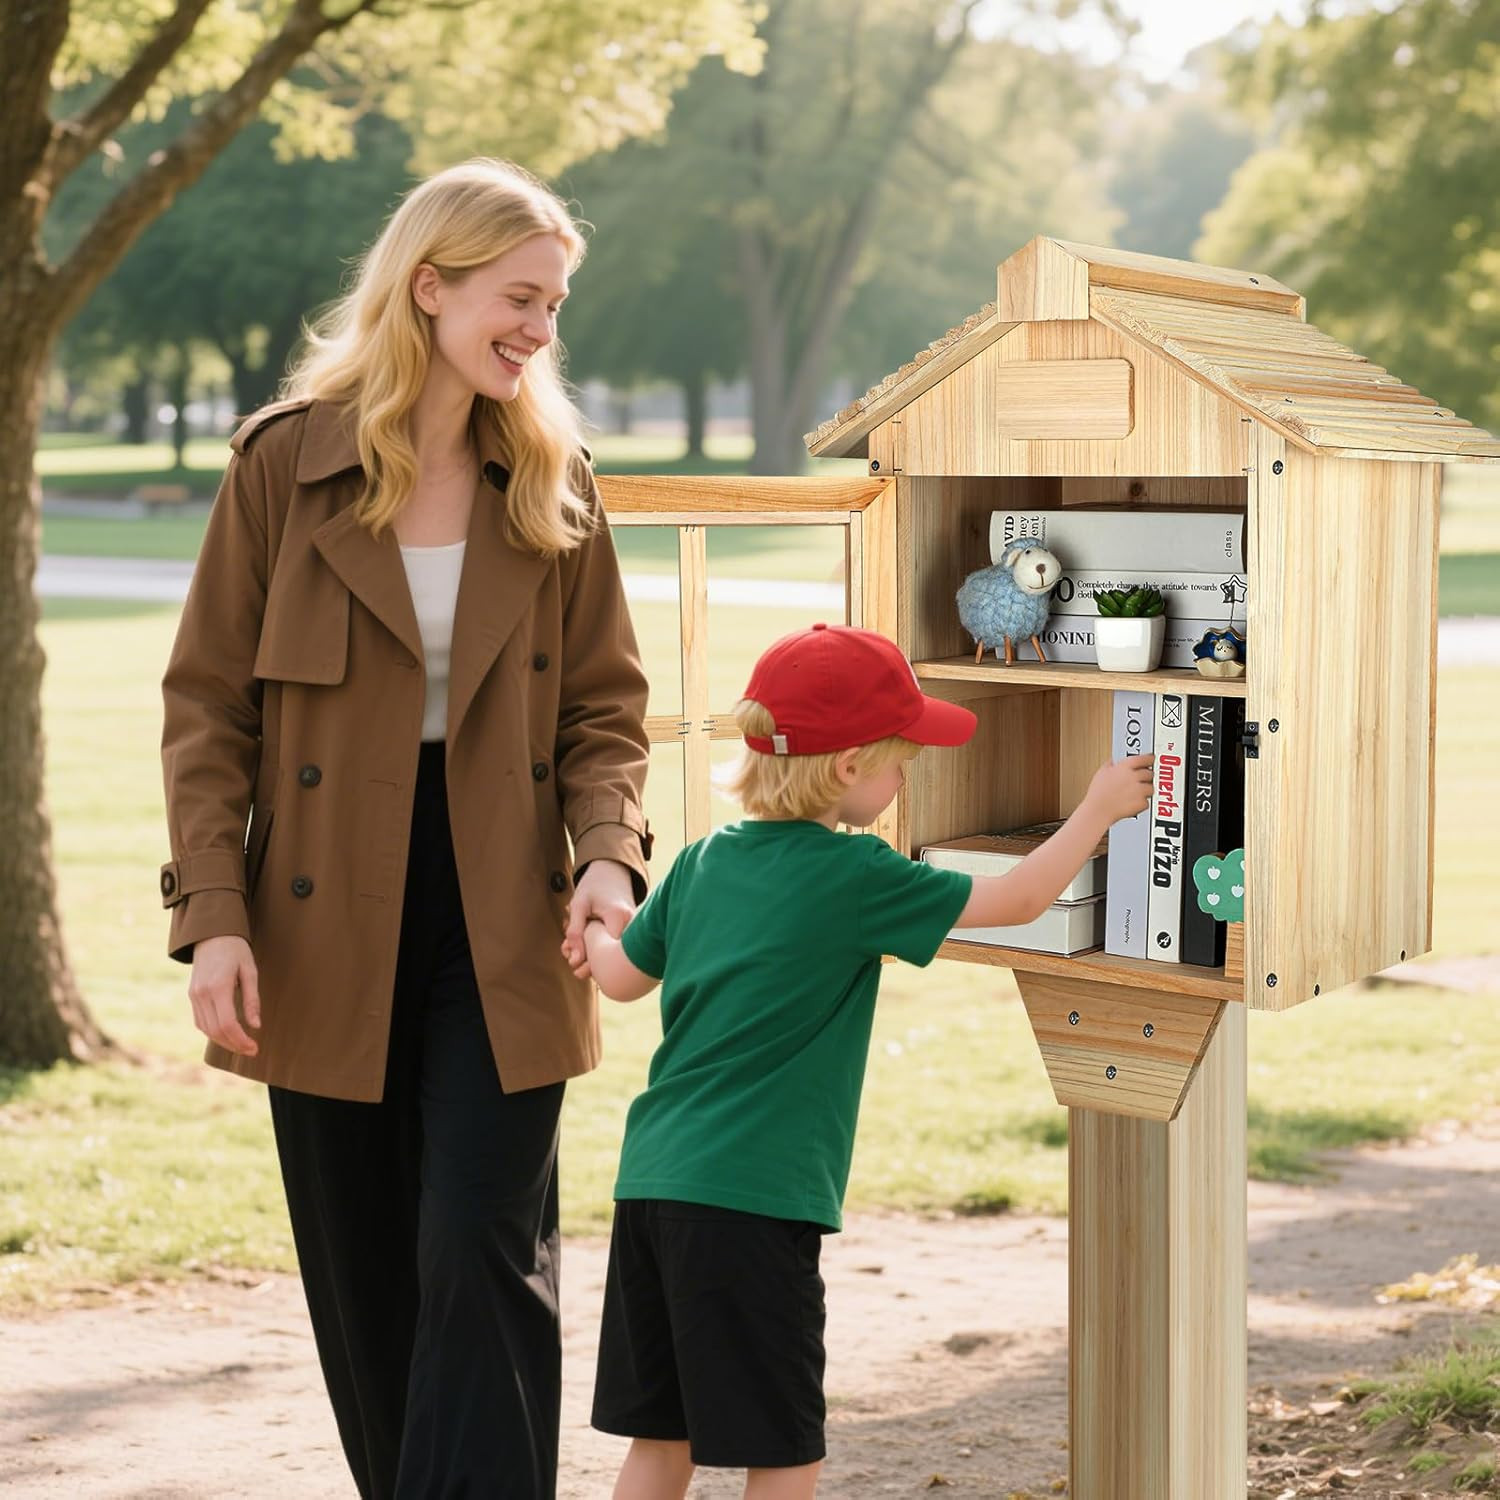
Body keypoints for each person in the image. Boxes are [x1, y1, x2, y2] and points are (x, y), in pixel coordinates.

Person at [159, 158, 652, 1499]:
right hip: (321, 917)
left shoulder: (556, 478)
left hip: (507, 914)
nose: (542, 331)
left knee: (481, 1251)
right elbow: (208, 710)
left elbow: (607, 707)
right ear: (428, 286)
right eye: (519, 298)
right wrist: (212, 921)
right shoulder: (282, 465)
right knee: (369, 1274)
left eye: (554, 306)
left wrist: (609, 854)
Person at [563, 622, 1153, 1500]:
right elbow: (1026, 896)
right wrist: (1099, 808)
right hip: (755, 1204)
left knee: (664, 1438)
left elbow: (617, 981)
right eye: (900, 762)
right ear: (846, 768)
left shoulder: (700, 863)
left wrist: (598, 924)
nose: (906, 776)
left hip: (652, 1187)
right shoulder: (856, 876)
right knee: (786, 1449)